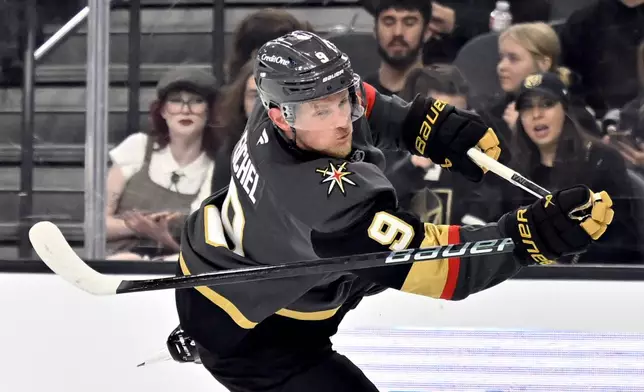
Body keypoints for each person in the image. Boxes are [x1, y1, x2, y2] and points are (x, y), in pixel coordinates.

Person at [174, 31, 614, 391]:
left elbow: (369, 106)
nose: (341, 120)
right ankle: (209, 340)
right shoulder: (322, 202)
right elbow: (441, 268)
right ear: (281, 115)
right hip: (260, 338)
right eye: (320, 111)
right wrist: (524, 239)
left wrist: (428, 128)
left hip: (225, 262)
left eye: (340, 100)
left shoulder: (280, 107)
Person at [503, 72, 641, 263]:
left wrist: (566, 260)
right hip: (531, 280)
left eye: (546, 104)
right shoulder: (514, 171)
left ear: (565, 109)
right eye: (527, 107)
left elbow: (623, 241)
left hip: (593, 278)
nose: (536, 115)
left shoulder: (602, 160)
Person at [105, 68, 220, 260]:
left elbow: (206, 253)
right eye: (176, 100)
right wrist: (134, 228)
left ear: (209, 111)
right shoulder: (137, 147)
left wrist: (163, 238)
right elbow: (98, 225)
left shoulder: (214, 168)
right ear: (163, 111)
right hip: (116, 264)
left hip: (173, 270)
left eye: (196, 101)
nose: (185, 109)